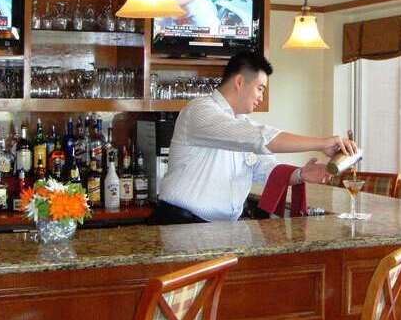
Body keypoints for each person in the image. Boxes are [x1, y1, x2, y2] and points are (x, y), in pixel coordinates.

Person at [151, 51, 357, 225]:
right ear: (240, 82)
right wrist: (322, 143)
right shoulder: (199, 111)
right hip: (181, 224)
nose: (261, 97)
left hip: (222, 229)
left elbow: (267, 170)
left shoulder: (244, 125)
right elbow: (260, 138)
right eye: (260, 89)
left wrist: (301, 173)